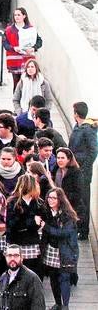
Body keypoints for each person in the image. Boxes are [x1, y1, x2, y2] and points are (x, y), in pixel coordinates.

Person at [38, 188, 79, 309]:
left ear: (60, 199)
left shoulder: (68, 215)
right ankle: (58, 303)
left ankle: (65, 306)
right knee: (53, 278)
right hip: (51, 249)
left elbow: (63, 233)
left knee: (64, 278)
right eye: (49, 197)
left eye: (54, 198)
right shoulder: (46, 213)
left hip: (65, 251)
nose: (50, 200)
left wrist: (45, 226)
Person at [67, 101, 97, 239]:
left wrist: (84, 169)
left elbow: (93, 151)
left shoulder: (88, 130)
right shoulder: (78, 127)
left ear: (76, 114)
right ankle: (77, 227)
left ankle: (83, 231)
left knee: (83, 201)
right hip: (74, 170)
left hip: (83, 173)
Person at [0, 244, 45, 310]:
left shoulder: (32, 279)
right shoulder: (3, 278)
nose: (12, 259)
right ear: (6, 257)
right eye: (9, 255)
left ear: (22, 258)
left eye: (16, 255)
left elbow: (38, 306)